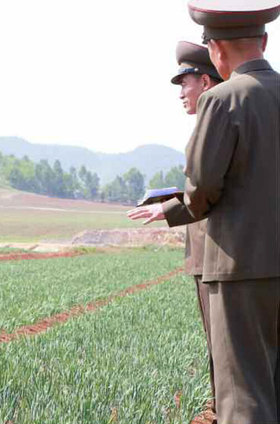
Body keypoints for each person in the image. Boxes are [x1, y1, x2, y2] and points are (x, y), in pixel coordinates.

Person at [128, 1, 280, 422]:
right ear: (265, 41)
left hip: (238, 269)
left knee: (243, 396)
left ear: (214, 51)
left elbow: (203, 188)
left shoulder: (223, 100)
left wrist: (173, 210)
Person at [170, 40, 222, 420]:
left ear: (204, 81)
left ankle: (222, 407)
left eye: (184, 83)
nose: (180, 94)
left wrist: (173, 208)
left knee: (224, 343)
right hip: (217, 254)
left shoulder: (217, 117)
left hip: (218, 255)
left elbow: (206, 188)